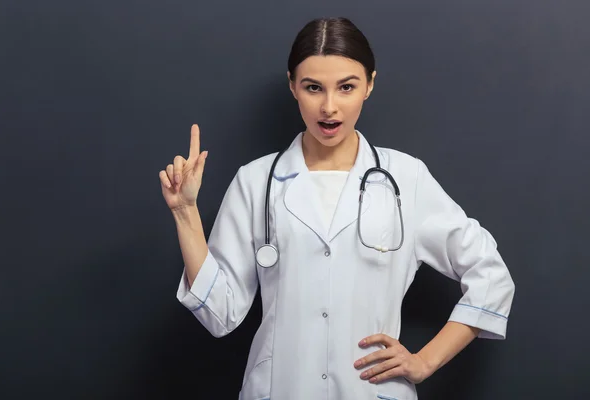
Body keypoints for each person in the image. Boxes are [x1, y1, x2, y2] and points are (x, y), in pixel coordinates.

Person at [159, 16, 515, 400]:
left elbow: (491, 278)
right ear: (293, 86)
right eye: (314, 88)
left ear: (370, 85)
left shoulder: (405, 179)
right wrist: (185, 213)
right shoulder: (255, 181)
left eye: (346, 87)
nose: (329, 107)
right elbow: (219, 313)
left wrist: (425, 361)